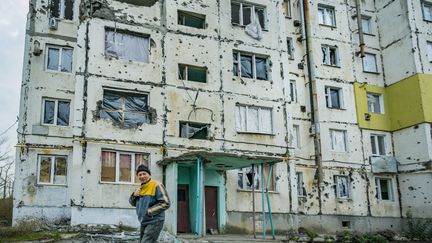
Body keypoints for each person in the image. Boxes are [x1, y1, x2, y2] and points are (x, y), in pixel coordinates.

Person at [129, 164, 170, 243]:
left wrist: (149, 211)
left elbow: (166, 203)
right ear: (137, 177)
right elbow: (132, 203)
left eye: (144, 174)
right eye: (140, 174)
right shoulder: (140, 188)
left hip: (155, 221)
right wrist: (134, 195)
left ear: (149, 175)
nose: (142, 176)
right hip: (144, 221)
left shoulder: (156, 185)